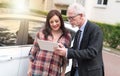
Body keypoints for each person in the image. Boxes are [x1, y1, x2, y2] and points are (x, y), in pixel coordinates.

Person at [54, 3, 104, 76]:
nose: (69, 20)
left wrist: (67, 52)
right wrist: (64, 49)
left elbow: (91, 52)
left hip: (89, 72)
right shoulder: (78, 32)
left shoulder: (95, 30)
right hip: (77, 70)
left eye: (71, 18)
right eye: (68, 18)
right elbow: (76, 49)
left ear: (81, 15)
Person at [27, 10, 71, 76]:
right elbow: (33, 51)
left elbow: (65, 57)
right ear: (48, 23)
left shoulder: (67, 36)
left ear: (61, 21)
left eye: (56, 21)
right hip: (38, 70)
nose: (54, 24)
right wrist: (29, 69)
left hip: (53, 72)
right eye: (51, 22)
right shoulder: (42, 33)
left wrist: (63, 72)